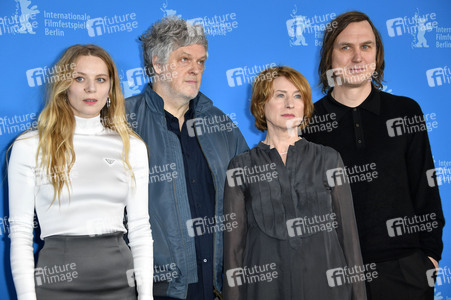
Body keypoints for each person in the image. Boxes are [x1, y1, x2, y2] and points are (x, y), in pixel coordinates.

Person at [301, 11, 445, 300]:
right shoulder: (307, 122)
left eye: (366, 47)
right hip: (337, 274)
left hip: (405, 272)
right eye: (346, 47)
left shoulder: (405, 111)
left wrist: (429, 257)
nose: (357, 57)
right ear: (330, 56)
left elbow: (425, 186)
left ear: (377, 56)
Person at [8, 44, 153, 300]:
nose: (91, 88)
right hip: (55, 285)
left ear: (110, 87)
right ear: (64, 85)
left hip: (121, 285)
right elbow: (19, 233)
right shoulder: (29, 146)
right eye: (79, 78)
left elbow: (140, 230)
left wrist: (146, 296)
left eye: (100, 79)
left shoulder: (133, 147)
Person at [125, 17, 248, 300]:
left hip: (217, 287)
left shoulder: (222, 126)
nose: (196, 69)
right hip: (155, 290)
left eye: (201, 61)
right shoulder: (123, 122)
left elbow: (251, 200)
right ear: (157, 64)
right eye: (184, 59)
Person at [223, 66, 366, 300]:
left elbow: (349, 240)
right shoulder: (240, 167)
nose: (290, 104)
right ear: (261, 104)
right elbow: (233, 253)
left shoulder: (329, 159)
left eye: (297, 96)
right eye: (280, 95)